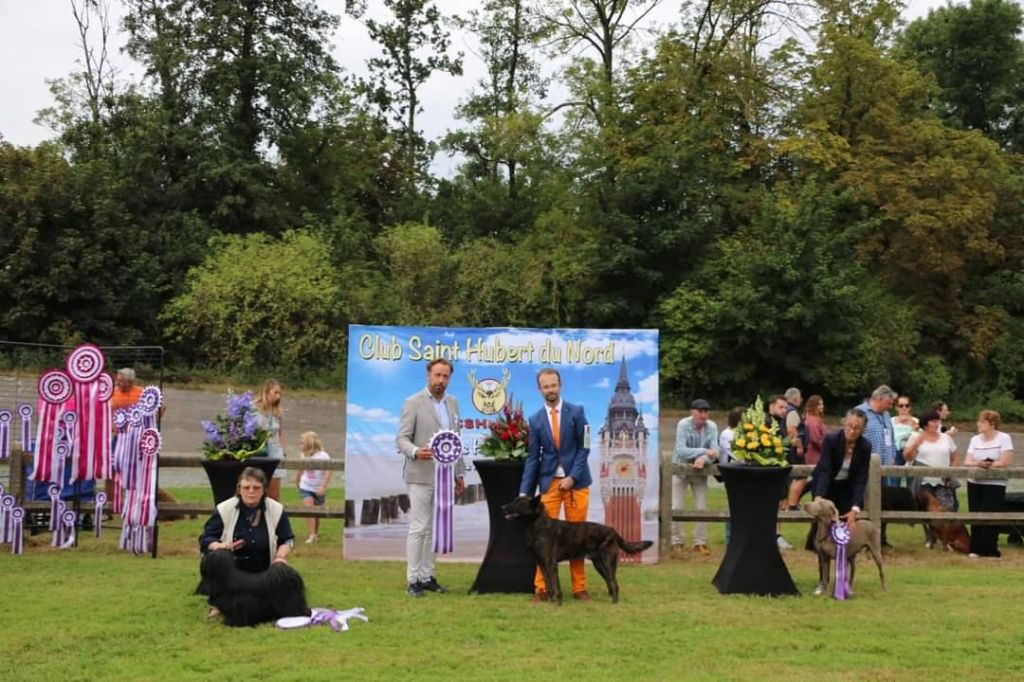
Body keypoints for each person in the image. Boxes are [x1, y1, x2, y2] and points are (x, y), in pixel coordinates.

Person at [519, 367, 591, 601]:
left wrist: (572, 477)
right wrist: (524, 493)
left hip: (577, 484)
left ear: (560, 385)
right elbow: (532, 458)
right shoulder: (535, 420)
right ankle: (541, 588)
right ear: (540, 389)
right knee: (544, 540)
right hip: (548, 485)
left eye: (553, 385)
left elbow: (585, 447)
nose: (550, 390)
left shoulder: (578, 412)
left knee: (578, 537)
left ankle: (579, 589)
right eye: (545, 386)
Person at [396, 359, 465, 598]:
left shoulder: (453, 403)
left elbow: (456, 441)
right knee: (419, 527)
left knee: (436, 529)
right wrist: (415, 451)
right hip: (420, 474)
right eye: (437, 375)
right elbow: (402, 439)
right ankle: (412, 579)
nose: (440, 381)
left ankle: (427, 576)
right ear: (428, 375)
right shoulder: (412, 403)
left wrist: (459, 473)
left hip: (446, 476)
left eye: (445, 376)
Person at [198, 467, 295, 617]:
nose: (251, 491)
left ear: (264, 490)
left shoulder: (276, 509)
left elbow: (287, 539)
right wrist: (220, 546)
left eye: (256, 488)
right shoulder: (225, 509)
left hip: (263, 572)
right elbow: (205, 538)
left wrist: (280, 557)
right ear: (239, 489)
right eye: (246, 487)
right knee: (218, 557)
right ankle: (219, 603)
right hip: (231, 571)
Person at [805, 409, 872, 550]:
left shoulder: (865, 446)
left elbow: (861, 478)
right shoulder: (831, 440)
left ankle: (839, 547)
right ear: (844, 423)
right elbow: (825, 470)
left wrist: (855, 509)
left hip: (845, 485)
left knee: (842, 516)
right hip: (825, 482)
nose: (852, 431)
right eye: (849, 426)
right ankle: (815, 545)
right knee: (823, 516)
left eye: (857, 428)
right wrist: (819, 497)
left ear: (863, 430)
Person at [903, 409, 959, 545]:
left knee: (947, 508)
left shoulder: (946, 438)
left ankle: (948, 538)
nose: (936, 424)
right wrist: (916, 443)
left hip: (943, 480)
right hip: (924, 480)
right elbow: (907, 456)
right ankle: (930, 537)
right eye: (933, 421)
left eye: (937, 421)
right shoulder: (915, 437)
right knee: (926, 510)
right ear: (925, 424)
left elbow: (955, 456)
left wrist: (951, 470)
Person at [672, 398, 719, 558]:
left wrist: (703, 459)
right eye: (700, 411)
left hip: (700, 470)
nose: (704, 415)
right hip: (681, 469)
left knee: (701, 506)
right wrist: (704, 452)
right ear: (692, 412)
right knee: (677, 506)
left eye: (706, 411)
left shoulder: (712, 426)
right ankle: (676, 541)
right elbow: (681, 450)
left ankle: (700, 542)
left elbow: (715, 451)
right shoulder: (683, 424)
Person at [964, 410, 1014, 558]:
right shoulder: (975, 439)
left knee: (990, 512)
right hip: (975, 481)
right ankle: (975, 548)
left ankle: (990, 548)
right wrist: (977, 463)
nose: (978, 424)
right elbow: (967, 461)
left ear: (992, 424)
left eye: (982, 422)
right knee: (976, 512)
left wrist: (990, 465)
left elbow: (1005, 461)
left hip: (995, 483)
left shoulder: (1004, 438)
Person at [787, 395, 826, 510]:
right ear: (814, 406)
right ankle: (794, 502)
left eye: (822, 404)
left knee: (810, 481)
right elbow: (815, 439)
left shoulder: (812, 419)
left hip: (815, 454)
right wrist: (827, 447)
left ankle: (794, 501)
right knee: (812, 480)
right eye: (819, 404)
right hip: (815, 455)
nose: (822, 407)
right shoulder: (813, 421)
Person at [855, 385, 897, 487]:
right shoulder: (859, 412)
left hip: (885, 467)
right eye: (888, 403)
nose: (890, 407)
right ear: (879, 399)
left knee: (883, 498)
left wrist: (892, 455)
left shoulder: (886, 415)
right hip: (866, 465)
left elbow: (891, 438)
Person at [765, 395, 793, 549]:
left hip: (781, 469)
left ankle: (777, 535)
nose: (784, 411)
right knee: (771, 504)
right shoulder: (766, 422)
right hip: (770, 471)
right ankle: (772, 535)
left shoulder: (780, 423)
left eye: (785, 408)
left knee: (781, 503)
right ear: (771, 406)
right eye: (781, 407)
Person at [295, 431, 331, 544]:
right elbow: (300, 468)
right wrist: (297, 480)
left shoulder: (323, 455)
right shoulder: (303, 455)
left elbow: (328, 471)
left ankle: (315, 533)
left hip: (319, 488)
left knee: (316, 513)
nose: (300, 445)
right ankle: (311, 535)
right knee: (309, 509)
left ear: (310, 443)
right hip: (306, 486)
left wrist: (323, 487)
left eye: (302, 443)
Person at [254, 379, 285, 501]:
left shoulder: (277, 412)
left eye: (280, 394)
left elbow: (280, 432)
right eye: (275, 392)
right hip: (258, 452)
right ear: (266, 391)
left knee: (274, 496)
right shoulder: (254, 410)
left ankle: (275, 519)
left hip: (275, 452)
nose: (278, 396)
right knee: (257, 491)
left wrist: (282, 448)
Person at [718, 406, 744, 545]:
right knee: (733, 506)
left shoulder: (747, 433)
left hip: (745, 473)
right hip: (732, 474)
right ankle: (730, 538)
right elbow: (737, 455)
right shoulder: (727, 434)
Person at [892, 395, 920, 480]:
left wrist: (914, 428)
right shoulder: (891, 421)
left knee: (911, 482)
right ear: (896, 407)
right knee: (894, 481)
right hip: (895, 453)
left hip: (911, 453)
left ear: (910, 407)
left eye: (907, 405)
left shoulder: (917, 421)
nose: (904, 408)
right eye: (901, 405)